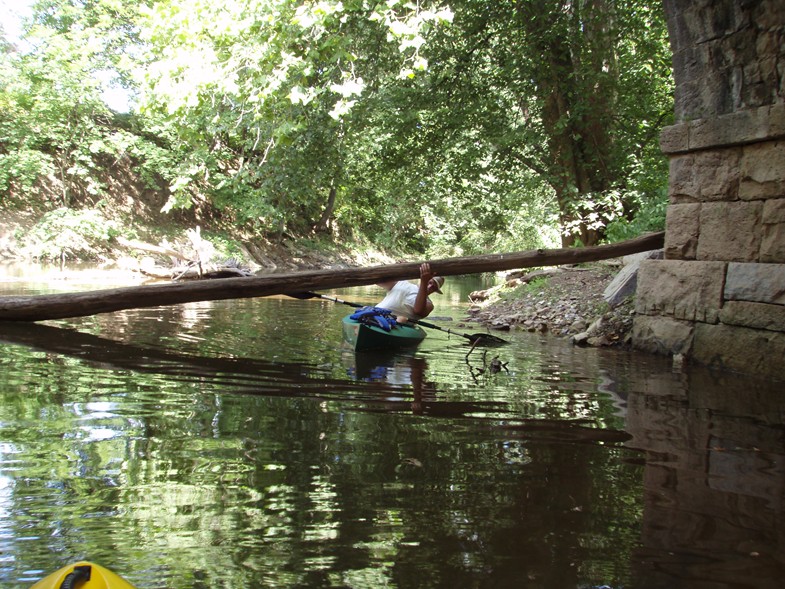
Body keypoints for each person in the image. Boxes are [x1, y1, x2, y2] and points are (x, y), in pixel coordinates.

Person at [376, 262, 445, 322]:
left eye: (433, 287)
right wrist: (397, 269)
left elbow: (418, 311)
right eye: (429, 282)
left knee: (401, 320)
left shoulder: (429, 304)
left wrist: (424, 281)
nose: (429, 287)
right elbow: (378, 280)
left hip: (395, 323)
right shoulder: (401, 283)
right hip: (374, 315)